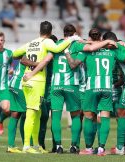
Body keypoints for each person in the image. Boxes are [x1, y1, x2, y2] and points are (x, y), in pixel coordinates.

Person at [23, 24, 115, 154]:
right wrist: (106, 41)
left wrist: (31, 74)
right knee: (76, 116)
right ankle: (74, 146)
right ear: (75, 33)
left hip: (56, 86)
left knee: (56, 116)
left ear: (63, 33)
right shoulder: (77, 45)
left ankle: (59, 146)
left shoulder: (56, 45)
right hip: (72, 86)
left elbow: (45, 61)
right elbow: (92, 47)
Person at [64, 28, 125, 156]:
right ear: (101, 37)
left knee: (89, 117)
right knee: (105, 117)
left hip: (91, 88)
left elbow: (73, 65)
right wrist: (124, 45)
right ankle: (101, 149)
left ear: (90, 38)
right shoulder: (112, 50)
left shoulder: (86, 50)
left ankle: (89, 149)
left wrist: (67, 53)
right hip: (107, 87)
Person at [12, 21, 77, 154]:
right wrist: (73, 38)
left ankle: (36, 145)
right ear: (50, 32)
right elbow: (58, 49)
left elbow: (15, 53)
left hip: (27, 80)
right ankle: (26, 146)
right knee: (31, 113)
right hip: (37, 81)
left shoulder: (31, 43)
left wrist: (27, 59)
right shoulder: (47, 42)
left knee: (37, 113)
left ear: (39, 31)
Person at [6, 56, 38, 153]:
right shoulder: (32, 52)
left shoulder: (27, 50)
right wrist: (40, 64)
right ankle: (28, 145)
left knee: (15, 114)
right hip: (19, 86)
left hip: (13, 84)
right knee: (28, 114)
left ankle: (11, 146)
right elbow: (24, 60)